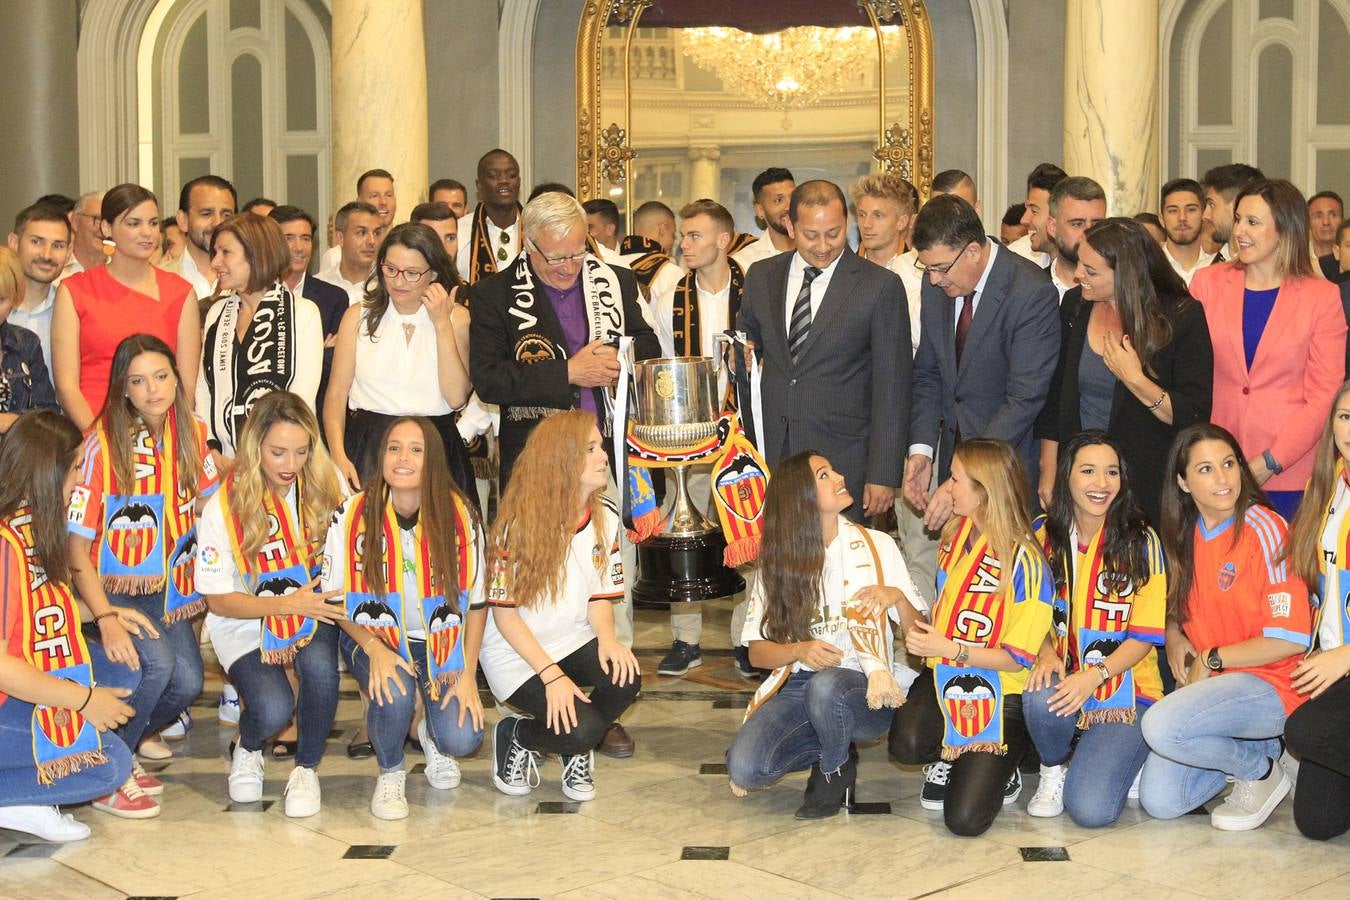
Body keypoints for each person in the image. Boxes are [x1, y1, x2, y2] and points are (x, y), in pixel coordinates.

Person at [725, 451, 926, 818]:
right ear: (801, 497)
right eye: (824, 474)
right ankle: (829, 739)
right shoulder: (778, 561)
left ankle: (834, 768)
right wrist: (799, 650)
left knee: (828, 686)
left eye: (833, 469)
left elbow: (918, 637)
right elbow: (757, 653)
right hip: (800, 685)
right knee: (746, 767)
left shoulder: (878, 545)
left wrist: (896, 598)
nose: (839, 476)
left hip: (867, 687)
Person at [66, 334, 217, 816]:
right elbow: (76, 549)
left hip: (173, 586)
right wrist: (107, 616)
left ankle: (120, 751)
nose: (152, 390)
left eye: (161, 376)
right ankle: (108, 771)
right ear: (123, 389)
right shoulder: (102, 444)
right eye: (138, 381)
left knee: (190, 682)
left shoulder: (193, 430)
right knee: (157, 666)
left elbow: (213, 506)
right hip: (113, 587)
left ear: (177, 378)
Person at [1143, 423, 1312, 830]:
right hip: (1216, 689)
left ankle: (1260, 770)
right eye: (1205, 469)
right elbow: (1176, 608)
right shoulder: (1184, 533)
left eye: (1229, 464)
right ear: (1182, 482)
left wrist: (1211, 658)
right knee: (1162, 801)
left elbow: (1290, 639)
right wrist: (1174, 635)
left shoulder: (1266, 529)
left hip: (1273, 686)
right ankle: (1254, 751)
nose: (1222, 478)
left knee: (1160, 725)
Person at [888, 438, 1055, 837]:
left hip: (1001, 692)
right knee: (905, 744)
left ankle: (1004, 763)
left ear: (984, 492)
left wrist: (952, 649)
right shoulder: (957, 535)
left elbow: (1017, 658)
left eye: (955, 479)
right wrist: (898, 602)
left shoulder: (1027, 562)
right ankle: (954, 750)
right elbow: (944, 617)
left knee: (964, 821)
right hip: (947, 677)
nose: (948, 487)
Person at [326, 417, 486, 819]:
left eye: (416, 449)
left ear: (432, 460)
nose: (402, 457)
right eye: (394, 447)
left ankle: (432, 732)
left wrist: (465, 672)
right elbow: (333, 600)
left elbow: (478, 604)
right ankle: (391, 772)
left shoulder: (460, 513)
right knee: (394, 692)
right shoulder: (351, 513)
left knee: (462, 737)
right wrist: (372, 648)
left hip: (438, 641)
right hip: (372, 634)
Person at [195, 391, 345, 818]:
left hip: (310, 607)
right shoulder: (224, 505)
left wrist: (305, 602)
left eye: (301, 452)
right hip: (244, 617)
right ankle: (249, 743)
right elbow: (218, 599)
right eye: (278, 452)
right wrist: (284, 605)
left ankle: (306, 769)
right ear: (254, 445)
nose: (290, 465)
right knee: (273, 707)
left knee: (320, 670)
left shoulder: (323, 481)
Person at [478, 411, 640, 801]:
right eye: (590, 449)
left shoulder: (606, 515)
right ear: (562, 460)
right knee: (584, 731)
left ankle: (568, 741)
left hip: (572, 638)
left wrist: (608, 639)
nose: (603, 456)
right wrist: (551, 676)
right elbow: (504, 615)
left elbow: (600, 595)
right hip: (515, 655)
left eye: (600, 446)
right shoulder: (515, 526)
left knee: (625, 675)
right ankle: (519, 735)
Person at [0, 411, 139, 841]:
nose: (81, 478)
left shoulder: (28, 522)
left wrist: (102, 614)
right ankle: (17, 798)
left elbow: (32, 607)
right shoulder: (4, 543)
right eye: (76, 466)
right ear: (49, 471)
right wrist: (82, 701)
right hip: (9, 685)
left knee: (126, 671)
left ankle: (31, 792)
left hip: (18, 686)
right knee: (110, 764)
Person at [737, 180, 910, 523]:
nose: (823, 246)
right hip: (774, 455)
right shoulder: (761, 276)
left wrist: (883, 473)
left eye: (834, 233)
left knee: (842, 566)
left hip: (845, 458)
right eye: (810, 235)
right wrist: (740, 354)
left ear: (847, 223)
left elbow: (893, 385)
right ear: (790, 226)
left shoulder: (880, 286)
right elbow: (747, 343)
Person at [1022, 431, 1167, 826]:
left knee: (1090, 811)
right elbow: (1025, 612)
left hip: (1127, 688)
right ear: (1067, 477)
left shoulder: (1141, 541)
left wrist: (1096, 675)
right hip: (1068, 677)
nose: (1101, 484)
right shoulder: (1043, 535)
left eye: (1111, 473)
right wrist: (1046, 651)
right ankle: (1053, 769)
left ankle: (1126, 750)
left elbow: (1145, 635)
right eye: (1088, 471)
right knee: (1039, 693)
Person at [468, 190, 659, 489]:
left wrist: (618, 357)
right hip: (537, 458)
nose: (569, 267)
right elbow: (489, 379)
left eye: (577, 253)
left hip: (613, 450)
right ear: (529, 244)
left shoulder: (616, 280)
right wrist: (569, 371)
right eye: (556, 257)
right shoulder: (494, 294)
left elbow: (648, 345)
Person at [1036, 217, 1214, 525]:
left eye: (1091, 271)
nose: (1078, 275)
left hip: (1148, 485)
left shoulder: (1180, 317)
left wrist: (1135, 380)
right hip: (1080, 481)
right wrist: (1049, 471)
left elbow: (1194, 415)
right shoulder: (1076, 305)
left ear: (1127, 276)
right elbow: (1055, 398)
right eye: (1080, 264)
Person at [1190, 178, 1347, 521]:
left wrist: (1271, 460)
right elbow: (1190, 372)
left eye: (1253, 222)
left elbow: (1324, 395)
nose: (1240, 231)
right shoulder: (1208, 283)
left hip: (1288, 471)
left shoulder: (1321, 297)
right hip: (1216, 466)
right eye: (1238, 220)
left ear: (1285, 230)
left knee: (1284, 573)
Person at [905, 193, 1060, 532]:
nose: (933, 279)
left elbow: (1024, 398)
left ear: (973, 251)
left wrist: (968, 471)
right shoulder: (936, 286)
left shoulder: (1031, 292)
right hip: (954, 469)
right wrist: (922, 450)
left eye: (940, 269)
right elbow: (929, 374)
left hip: (1006, 474)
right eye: (927, 268)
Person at [649, 199, 750, 677]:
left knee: (749, 531)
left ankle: (746, 638)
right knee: (682, 529)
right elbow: (665, 368)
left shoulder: (755, 287)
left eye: (693, 236)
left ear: (723, 240)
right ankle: (685, 640)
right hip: (689, 432)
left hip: (746, 432)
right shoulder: (669, 295)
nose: (683, 244)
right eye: (682, 236)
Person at [325, 222, 473, 498]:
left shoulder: (458, 318)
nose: (399, 281)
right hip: (371, 445)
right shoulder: (358, 316)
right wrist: (338, 456)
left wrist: (441, 324)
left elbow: (456, 399)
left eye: (413, 273)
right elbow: (335, 396)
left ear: (434, 274)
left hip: (435, 446)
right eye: (390, 269)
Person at [52, 184, 201, 430]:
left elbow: (186, 387)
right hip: (92, 430)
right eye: (134, 223)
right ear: (107, 227)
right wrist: (98, 441)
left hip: (159, 435)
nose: (147, 233)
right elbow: (66, 386)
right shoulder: (75, 290)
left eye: (153, 223)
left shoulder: (180, 293)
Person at [196, 213, 324, 457]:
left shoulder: (302, 313)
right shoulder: (217, 313)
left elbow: (301, 398)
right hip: (222, 460)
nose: (215, 262)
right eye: (215, 252)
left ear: (256, 255)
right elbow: (204, 389)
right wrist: (211, 449)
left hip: (282, 461)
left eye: (226, 252)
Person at [1283, 381, 1350, 840]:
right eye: (1345, 416)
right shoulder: (1327, 486)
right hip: (1333, 663)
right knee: (1317, 822)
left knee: (1303, 732)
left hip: (1344, 662)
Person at [270, 205, 349, 427]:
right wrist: (315, 352)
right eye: (289, 238)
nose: (299, 248)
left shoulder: (333, 298)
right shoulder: (256, 296)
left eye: (305, 238)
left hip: (316, 418)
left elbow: (334, 365)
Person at [7, 202, 72, 373]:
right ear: (14, 243)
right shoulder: (2, 307)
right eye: (36, 242)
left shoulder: (73, 312)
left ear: (69, 252)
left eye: (58, 245)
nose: (46, 254)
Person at [0, 247, 58, 434]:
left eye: (0, 299)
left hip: (17, 458)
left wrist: (15, 421)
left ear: (14, 299)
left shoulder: (27, 344)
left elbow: (49, 415)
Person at [457, 149, 523, 284]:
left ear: (519, 182)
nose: (504, 181)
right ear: (479, 185)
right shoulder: (459, 230)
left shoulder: (536, 228)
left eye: (512, 175)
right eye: (494, 176)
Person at [170, 175, 238, 300]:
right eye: (206, 214)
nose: (218, 223)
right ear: (183, 220)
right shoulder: (157, 280)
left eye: (226, 215)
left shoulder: (252, 282)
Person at [317, 201, 383, 307]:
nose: (372, 241)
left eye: (376, 233)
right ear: (340, 238)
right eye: (362, 232)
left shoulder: (387, 288)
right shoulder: (318, 285)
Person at [731, 167, 796, 273]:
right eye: (778, 200)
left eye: (793, 197)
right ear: (760, 210)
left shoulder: (819, 250)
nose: (789, 206)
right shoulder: (745, 263)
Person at [1201, 163, 1264, 262]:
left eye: (1212, 204)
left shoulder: (1281, 272)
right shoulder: (1203, 271)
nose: (1205, 216)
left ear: (1237, 205)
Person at [1160, 178, 1217, 286]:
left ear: (1203, 215)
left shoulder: (1219, 268)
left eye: (1191, 210)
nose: (1182, 217)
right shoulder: (1146, 268)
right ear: (1161, 219)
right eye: (1173, 211)